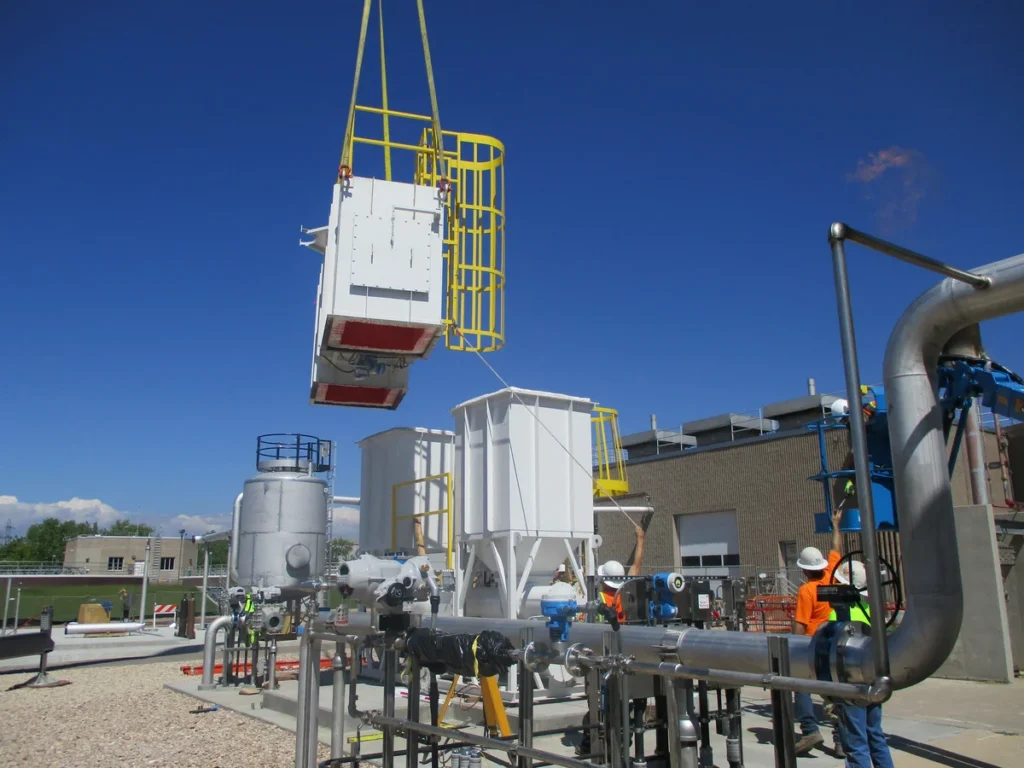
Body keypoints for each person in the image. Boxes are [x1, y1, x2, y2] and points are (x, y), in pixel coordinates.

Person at [829, 561, 895, 768]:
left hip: (850, 684)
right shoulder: (869, 609)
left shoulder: (837, 616)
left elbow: (829, 649)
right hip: (873, 679)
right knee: (875, 734)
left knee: (856, 743)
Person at [791, 507, 843, 754]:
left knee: (800, 685)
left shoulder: (806, 591)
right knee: (832, 690)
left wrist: (793, 649)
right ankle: (842, 739)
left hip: (811, 644)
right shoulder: (833, 575)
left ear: (803, 569)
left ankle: (810, 731)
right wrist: (835, 525)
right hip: (832, 641)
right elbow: (836, 550)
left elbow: (800, 624)